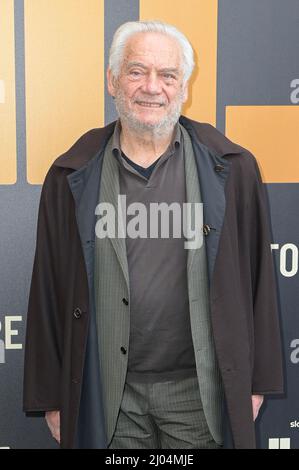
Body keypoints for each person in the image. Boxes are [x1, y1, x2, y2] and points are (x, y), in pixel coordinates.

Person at [23, 20, 283, 449]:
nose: (152, 87)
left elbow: (257, 282)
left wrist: (254, 384)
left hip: (200, 393)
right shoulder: (72, 172)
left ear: (184, 86)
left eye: (167, 75)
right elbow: (48, 289)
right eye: (136, 71)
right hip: (106, 392)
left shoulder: (232, 169)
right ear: (112, 80)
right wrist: (52, 397)